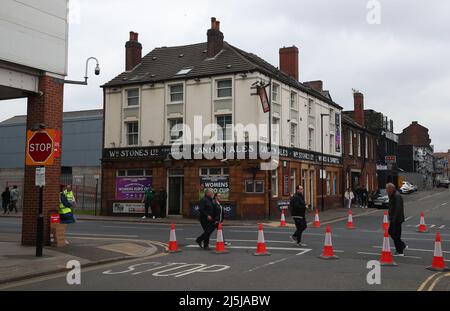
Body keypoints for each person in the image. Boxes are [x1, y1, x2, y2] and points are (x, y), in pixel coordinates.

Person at [386, 183, 407, 256]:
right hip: (394, 218)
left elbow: (398, 208)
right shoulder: (393, 195)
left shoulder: (396, 196)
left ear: (391, 189)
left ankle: (400, 251)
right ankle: (401, 245)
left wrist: (394, 218)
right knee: (391, 232)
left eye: (387, 189)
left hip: (397, 219)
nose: (386, 191)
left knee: (396, 235)